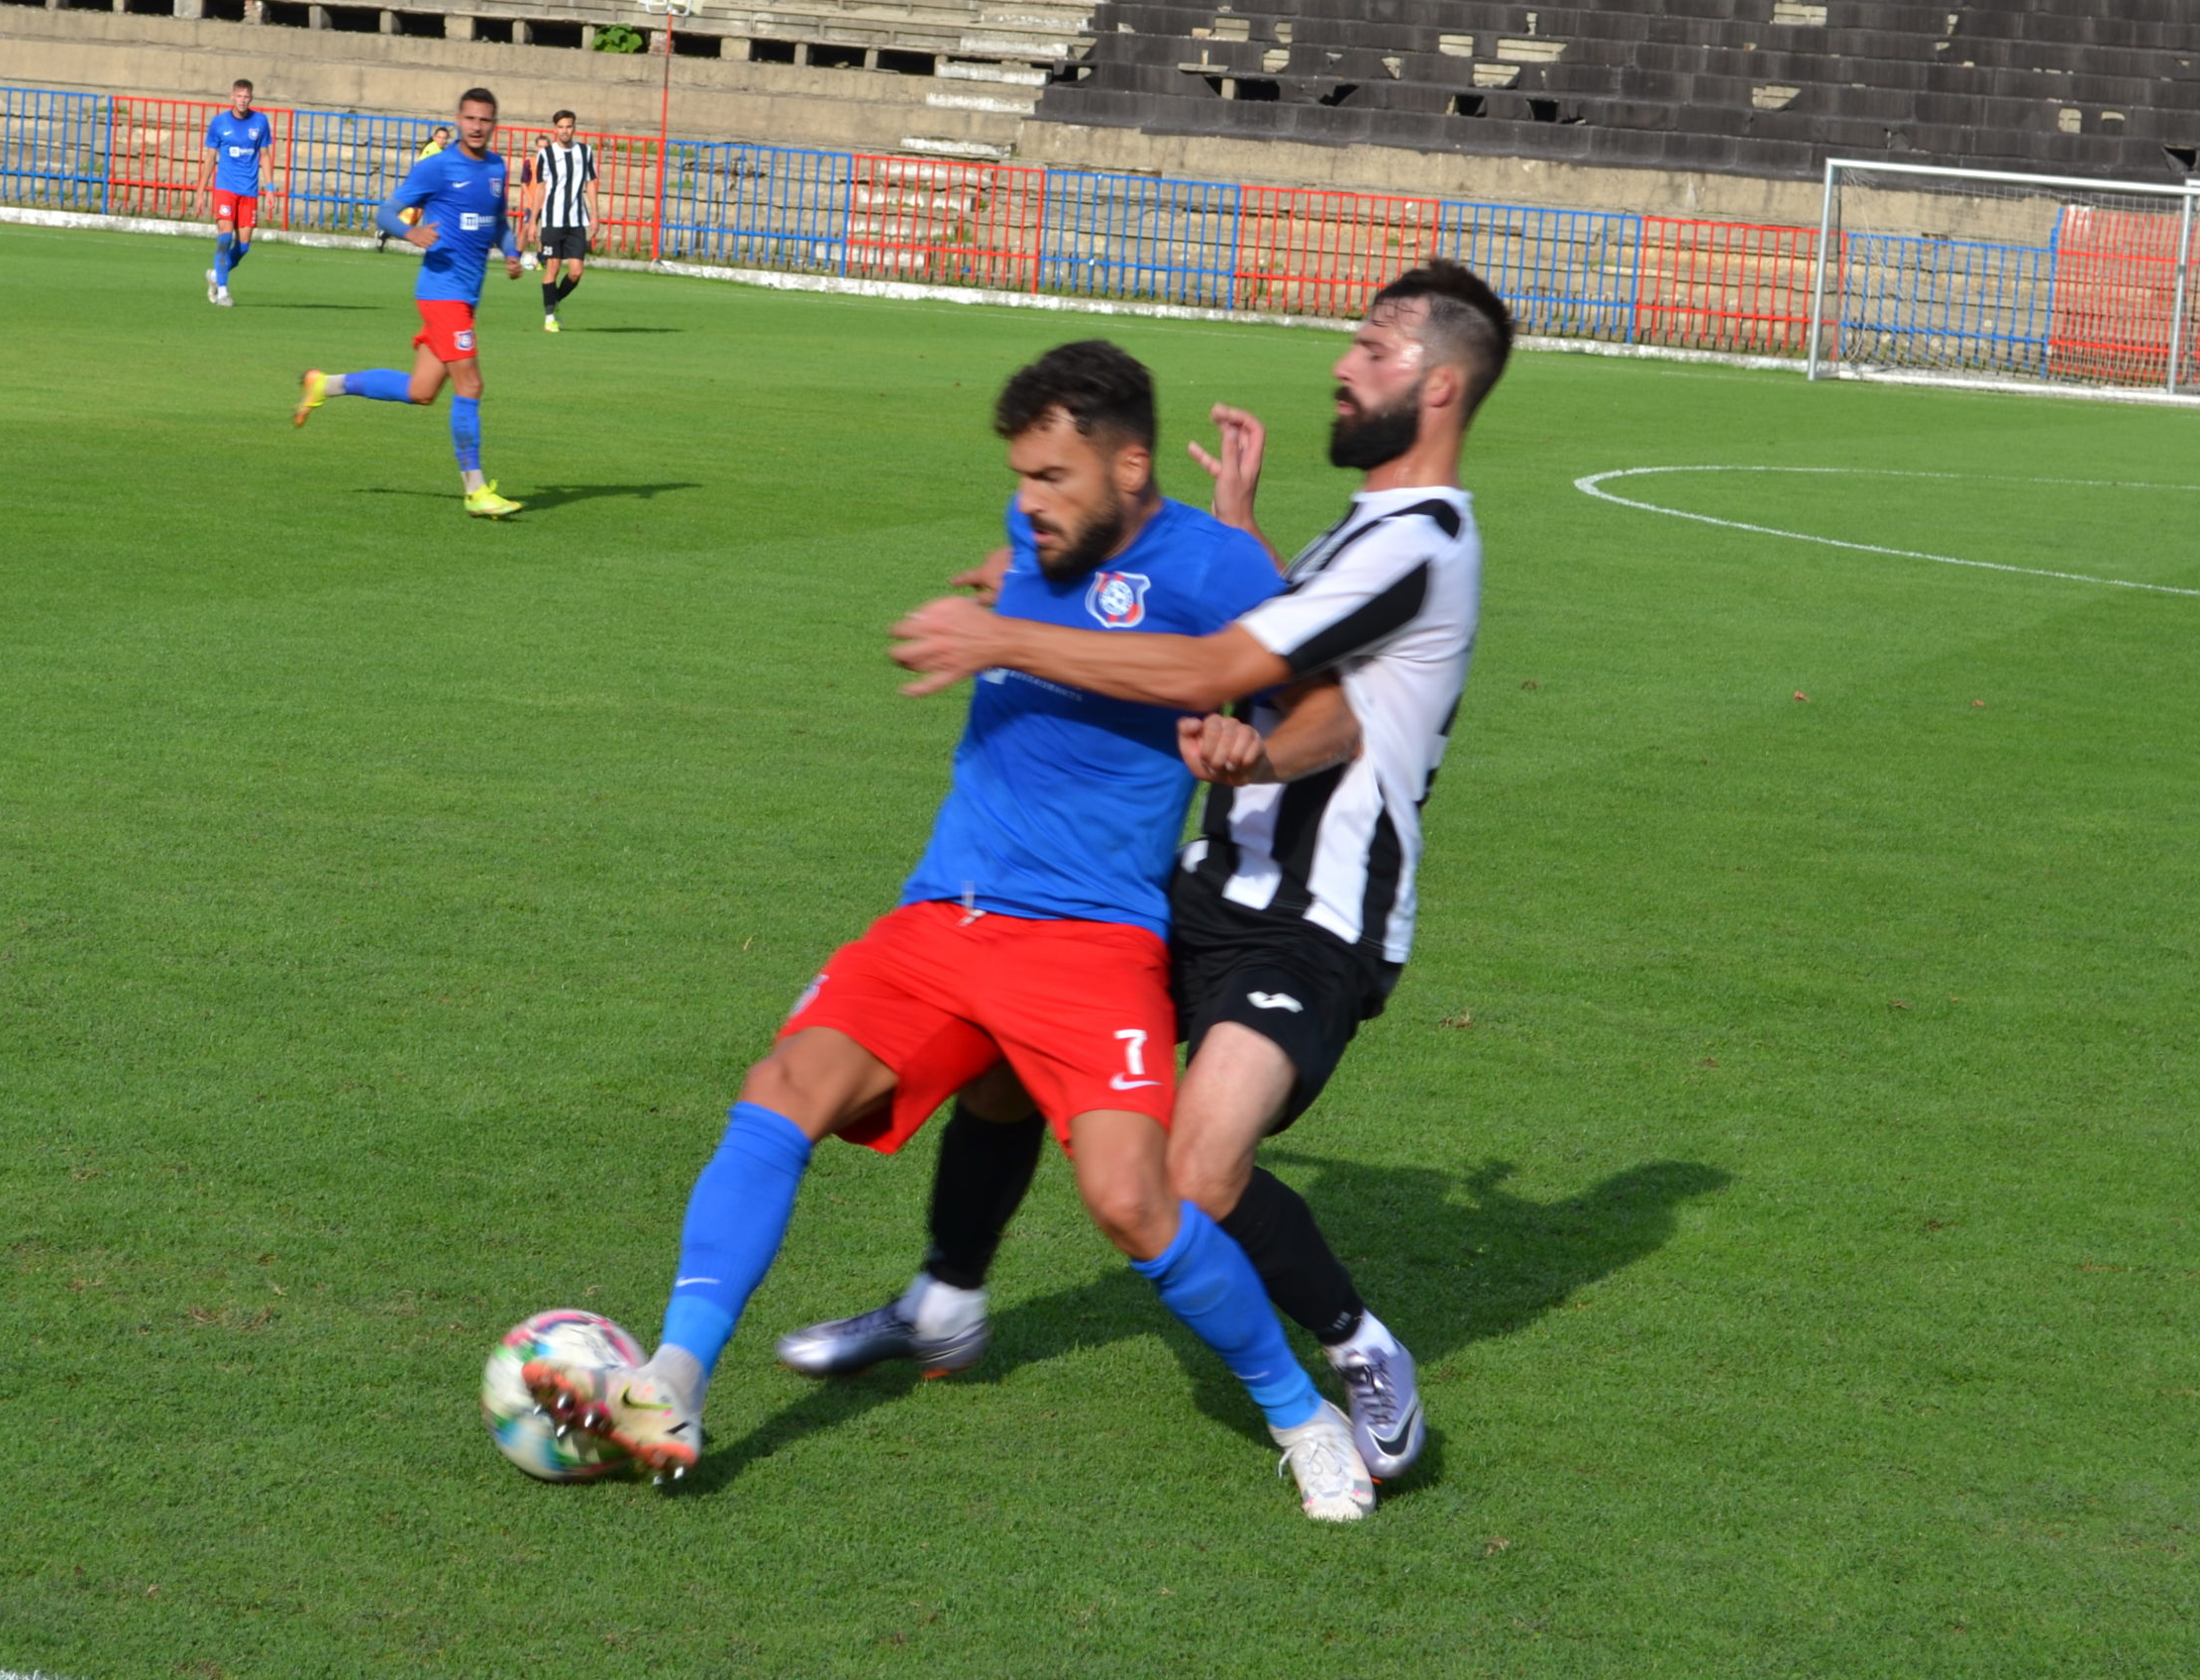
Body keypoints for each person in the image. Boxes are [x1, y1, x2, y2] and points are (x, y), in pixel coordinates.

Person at [520, 341, 1383, 1522]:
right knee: (782, 1087)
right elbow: (1043, 583)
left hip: (1091, 938)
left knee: (1131, 1199)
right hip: (945, 910)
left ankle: (1300, 1415)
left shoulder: (1212, 562)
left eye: (1054, 477)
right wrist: (1005, 580)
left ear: (1131, 467)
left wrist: (1254, 747)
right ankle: (674, 1376)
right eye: (1020, 476)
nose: (1030, 500)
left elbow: (1329, 719)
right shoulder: (1036, 535)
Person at [789, 259, 1513, 1486]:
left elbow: (1231, 674)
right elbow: (1299, 663)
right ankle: (945, 1300)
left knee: (1198, 1168)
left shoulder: (1424, 540)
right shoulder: (1371, 526)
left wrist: (1010, 635)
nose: (1342, 365)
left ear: (1437, 387)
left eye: (1372, 349)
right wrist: (1237, 535)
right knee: (1011, 1054)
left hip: (1316, 918)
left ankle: (1361, 1344)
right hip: (1209, 881)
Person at [292, 89, 525, 519]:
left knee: (421, 392)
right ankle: (475, 490)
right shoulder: (437, 166)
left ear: (494, 123)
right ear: (457, 119)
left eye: (485, 120)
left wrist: (511, 252)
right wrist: (410, 233)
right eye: (470, 118)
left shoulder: (496, 167)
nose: (477, 126)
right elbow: (385, 213)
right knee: (471, 386)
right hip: (442, 293)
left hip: (464, 295)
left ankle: (325, 384)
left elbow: (497, 222)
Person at [199, 79, 273, 307]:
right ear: (232, 96)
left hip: (249, 190)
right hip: (225, 187)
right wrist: (201, 191)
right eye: (239, 96)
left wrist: (270, 188)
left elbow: (265, 155)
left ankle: (215, 275)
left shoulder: (260, 121)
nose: (242, 100)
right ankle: (223, 292)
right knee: (225, 237)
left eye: (246, 96)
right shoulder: (219, 122)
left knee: (243, 246)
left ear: (251, 98)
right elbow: (210, 157)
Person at [521, 110, 596, 333]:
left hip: (576, 220)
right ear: (555, 129)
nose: (565, 131)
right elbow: (541, 188)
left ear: (574, 128)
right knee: (552, 268)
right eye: (561, 127)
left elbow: (591, 183)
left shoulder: (585, 151)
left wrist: (595, 214)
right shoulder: (546, 154)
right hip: (552, 220)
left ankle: (554, 301)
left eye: (569, 126)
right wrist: (533, 222)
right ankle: (549, 318)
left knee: (576, 272)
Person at [376, 125, 457, 254]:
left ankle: (385, 234)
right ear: (434, 137)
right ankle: (385, 232)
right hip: (424, 188)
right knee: (415, 220)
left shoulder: (439, 151)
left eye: (444, 138)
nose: (441, 140)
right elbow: (425, 168)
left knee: (422, 218)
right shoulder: (432, 149)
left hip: (430, 189)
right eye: (439, 137)